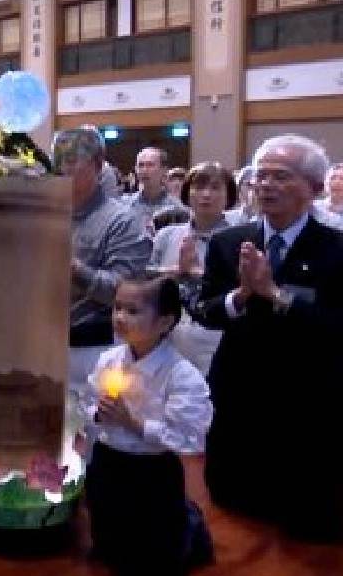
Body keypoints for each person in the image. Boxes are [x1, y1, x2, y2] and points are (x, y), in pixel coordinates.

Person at [195, 135, 343, 541]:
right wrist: (241, 295)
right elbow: (205, 313)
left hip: (307, 403)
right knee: (232, 509)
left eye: (282, 176)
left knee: (306, 526)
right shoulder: (229, 243)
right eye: (261, 176)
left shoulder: (336, 249)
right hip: (240, 396)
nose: (267, 185)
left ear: (314, 188)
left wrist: (275, 294)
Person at [84, 278, 213, 576]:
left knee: (153, 559)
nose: (119, 318)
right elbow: (87, 407)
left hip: (151, 470)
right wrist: (99, 414)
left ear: (165, 321)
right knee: (109, 543)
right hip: (108, 460)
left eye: (133, 311)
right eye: (116, 307)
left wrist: (133, 422)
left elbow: (188, 438)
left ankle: (187, 530)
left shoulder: (181, 375)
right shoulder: (109, 359)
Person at [53, 128, 152, 395]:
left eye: (72, 160)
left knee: (92, 430)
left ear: (98, 165)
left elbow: (124, 292)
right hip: (43, 343)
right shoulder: (45, 215)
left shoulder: (121, 220)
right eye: (58, 160)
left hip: (94, 349)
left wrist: (74, 269)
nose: (63, 168)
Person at [150, 163, 236, 376]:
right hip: (171, 337)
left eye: (215, 188)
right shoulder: (167, 235)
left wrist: (199, 274)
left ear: (229, 195)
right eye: (199, 187)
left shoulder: (238, 238)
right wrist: (176, 271)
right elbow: (147, 280)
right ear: (187, 193)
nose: (206, 195)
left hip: (218, 338)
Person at [126, 148, 184, 234]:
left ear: (164, 170)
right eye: (140, 165)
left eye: (150, 165)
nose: (144, 170)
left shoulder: (177, 208)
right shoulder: (125, 205)